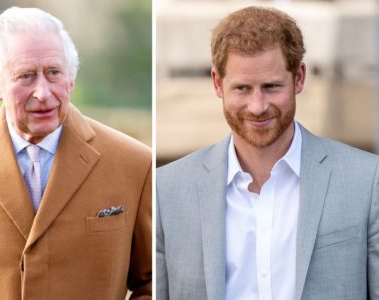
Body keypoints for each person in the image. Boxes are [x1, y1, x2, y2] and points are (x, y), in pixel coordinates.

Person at [156, 6, 379, 300]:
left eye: (272, 87)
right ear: (217, 84)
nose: (258, 106)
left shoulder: (368, 180)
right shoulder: (166, 189)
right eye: (242, 88)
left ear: (299, 77)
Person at [0, 7, 151, 300]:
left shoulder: (135, 164)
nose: (43, 93)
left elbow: (154, 283)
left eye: (54, 73)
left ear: (71, 78)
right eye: (26, 76)